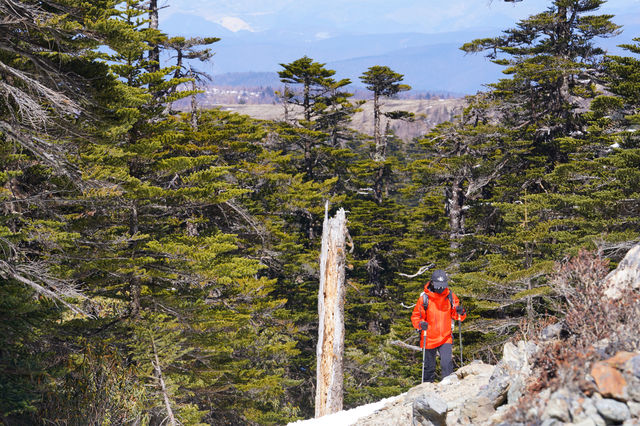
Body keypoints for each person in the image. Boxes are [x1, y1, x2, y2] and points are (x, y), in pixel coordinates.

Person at [411, 269, 466, 382]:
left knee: (447, 365)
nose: (440, 288)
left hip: (445, 337)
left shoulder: (450, 296)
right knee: (429, 368)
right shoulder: (424, 298)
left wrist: (461, 311)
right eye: (438, 285)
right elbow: (416, 316)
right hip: (429, 337)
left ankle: (448, 389)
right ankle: (427, 391)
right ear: (432, 283)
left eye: (442, 285)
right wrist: (421, 324)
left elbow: (458, 316)